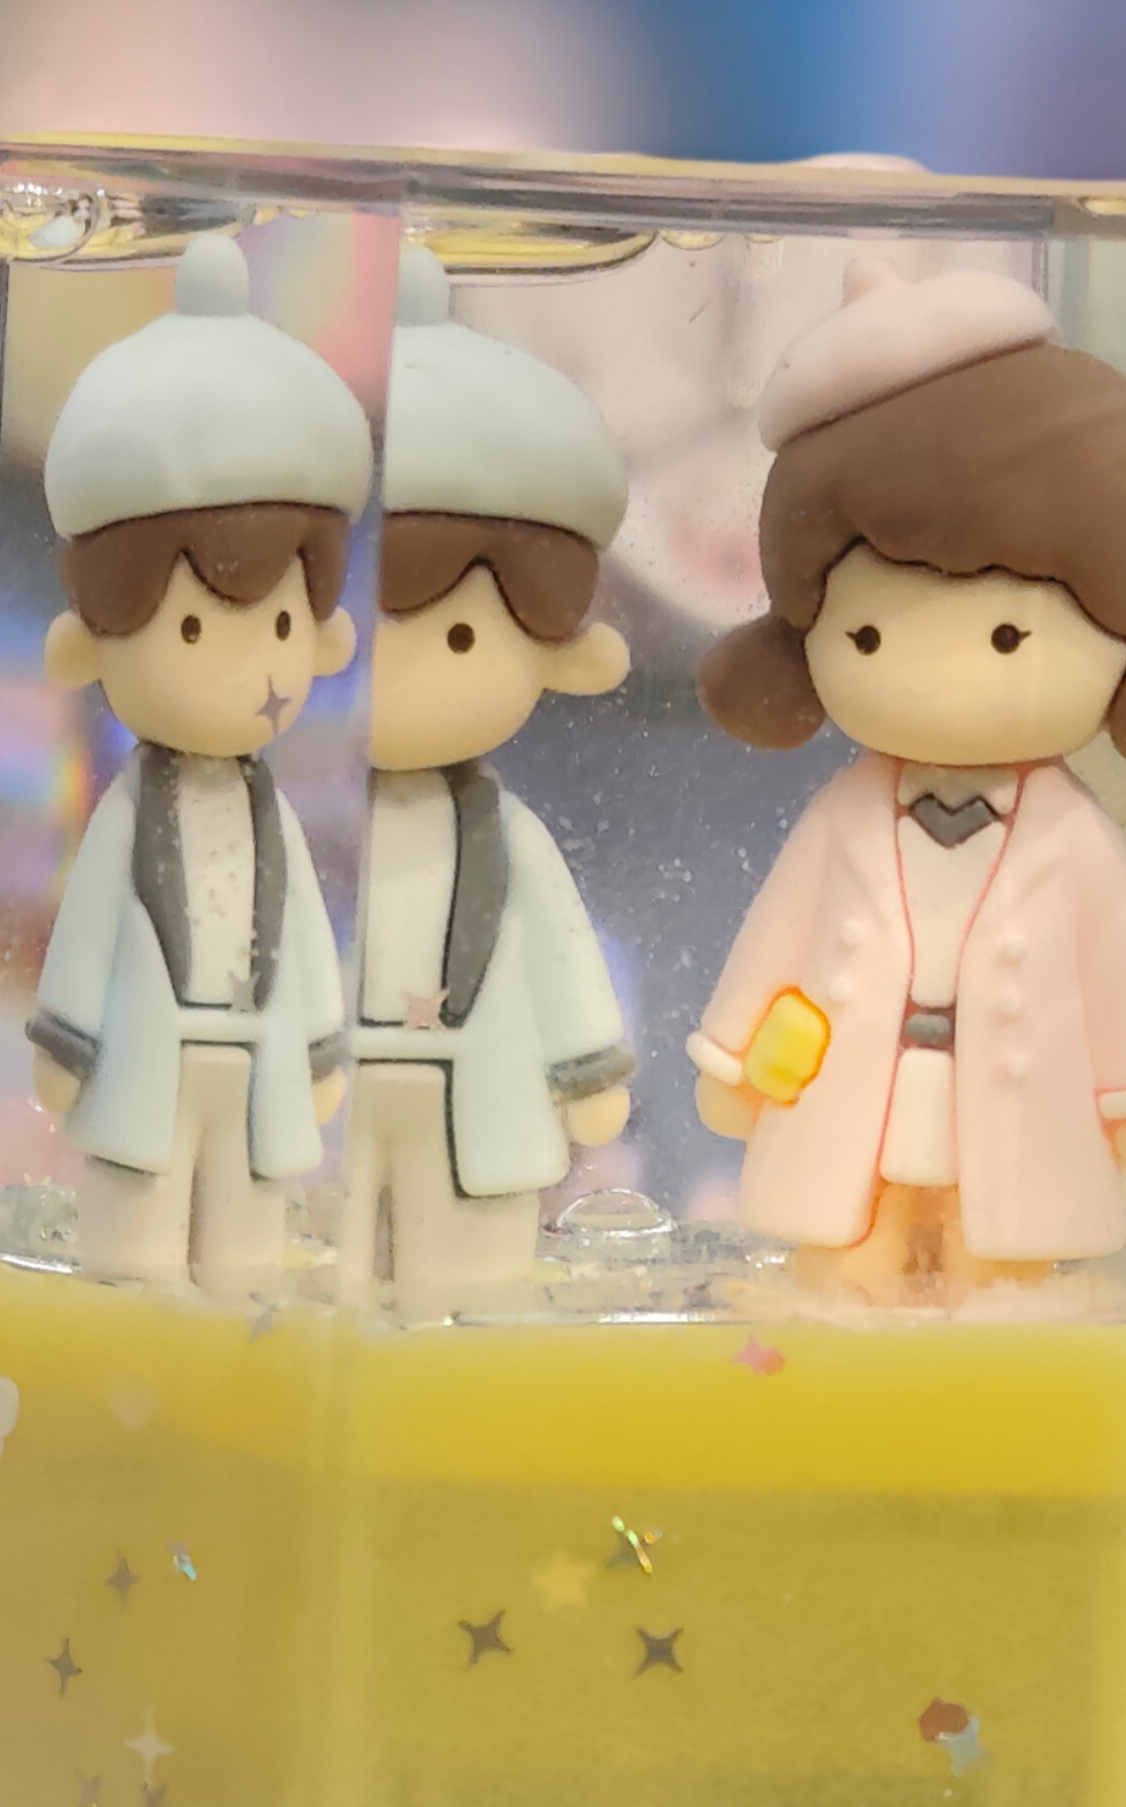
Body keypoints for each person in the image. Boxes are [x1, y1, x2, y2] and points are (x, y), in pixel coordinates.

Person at [689, 264, 1126, 1305]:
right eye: (869, 636)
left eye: (1008, 634)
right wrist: (735, 1056)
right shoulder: (843, 816)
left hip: (1016, 1109)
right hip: (858, 1091)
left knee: (999, 1268)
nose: (933, 677)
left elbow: (1117, 964)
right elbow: (779, 928)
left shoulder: (1071, 835)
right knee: (852, 1256)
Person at [29, 232, 369, 1294]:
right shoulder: (129, 813)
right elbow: (91, 925)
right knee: (133, 1250)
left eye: (278, 625)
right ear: (94, 637)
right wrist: (69, 1042)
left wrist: (316, 1047)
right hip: (148, 1058)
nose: (250, 671)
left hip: (255, 1063)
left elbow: (300, 931)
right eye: (191, 628)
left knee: (244, 1256)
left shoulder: (274, 820)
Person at [346, 244, 637, 1303]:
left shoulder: (507, 837)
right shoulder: (298, 814)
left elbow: (558, 947)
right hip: (338, 1103)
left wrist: (585, 1067)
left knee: (474, 1282)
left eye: (460, 636)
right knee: (328, 1266)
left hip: (479, 1090)